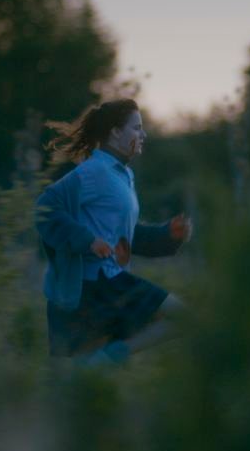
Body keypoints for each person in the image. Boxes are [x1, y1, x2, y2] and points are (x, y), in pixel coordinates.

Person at [35, 99, 192, 366]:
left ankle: (107, 359)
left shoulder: (122, 175)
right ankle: (107, 359)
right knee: (183, 317)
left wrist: (168, 235)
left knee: (83, 378)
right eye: (136, 128)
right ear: (116, 132)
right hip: (93, 286)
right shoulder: (94, 172)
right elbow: (46, 208)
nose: (143, 134)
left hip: (111, 281)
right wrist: (87, 240)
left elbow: (125, 237)